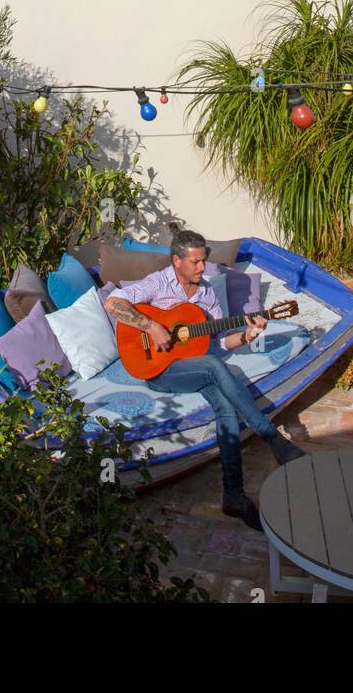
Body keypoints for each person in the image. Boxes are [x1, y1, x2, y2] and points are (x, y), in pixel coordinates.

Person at [105, 227, 306, 530]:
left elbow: (220, 343)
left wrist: (248, 335)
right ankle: (271, 437)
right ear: (176, 261)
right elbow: (113, 304)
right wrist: (152, 327)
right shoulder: (158, 283)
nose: (202, 268)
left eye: (203, 261)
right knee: (212, 366)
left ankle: (234, 495)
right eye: (195, 262)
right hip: (157, 369)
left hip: (193, 366)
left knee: (225, 406)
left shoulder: (207, 293)